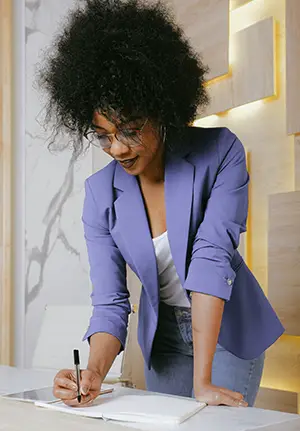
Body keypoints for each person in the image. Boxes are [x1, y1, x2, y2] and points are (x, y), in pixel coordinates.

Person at [39, 0, 284, 408]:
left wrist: (203, 382)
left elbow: (211, 260)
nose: (116, 148)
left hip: (227, 326)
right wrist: (93, 373)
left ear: (161, 108)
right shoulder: (101, 194)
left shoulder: (220, 152)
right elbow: (111, 302)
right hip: (164, 336)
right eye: (102, 135)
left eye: (130, 130)